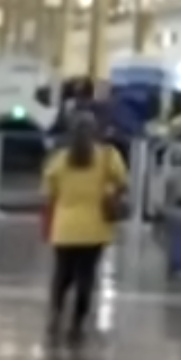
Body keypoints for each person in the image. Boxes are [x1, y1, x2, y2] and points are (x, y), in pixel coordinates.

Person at [42, 111, 128, 342]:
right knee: (86, 277)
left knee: (62, 275)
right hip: (95, 227)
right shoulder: (108, 157)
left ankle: (55, 313)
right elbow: (122, 183)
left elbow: (49, 194)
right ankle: (77, 324)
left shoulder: (59, 161)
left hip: (65, 227)